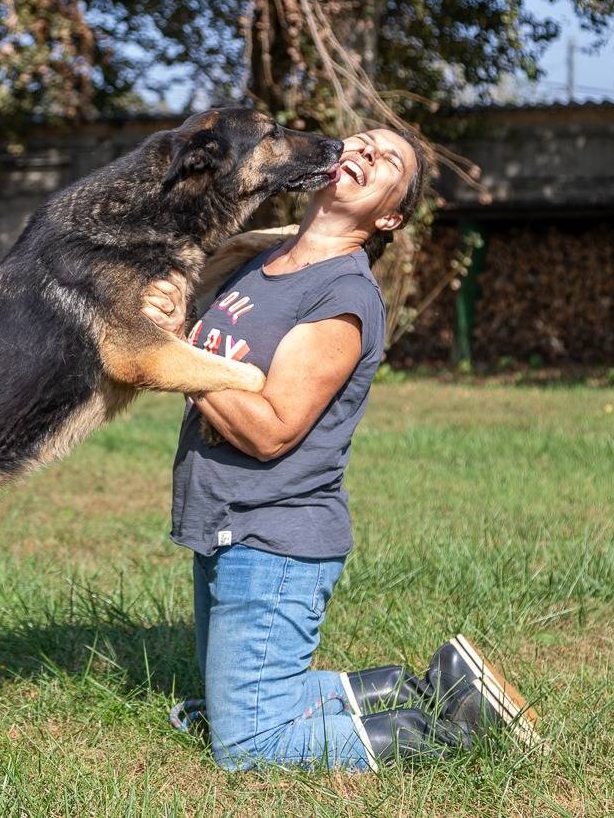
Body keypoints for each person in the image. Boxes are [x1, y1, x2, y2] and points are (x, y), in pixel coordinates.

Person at [142, 127, 540, 771]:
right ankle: (426, 688)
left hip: (273, 537)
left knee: (247, 746)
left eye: (385, 160)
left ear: (389, 215)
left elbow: (271, 427)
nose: (362, 153)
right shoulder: (259, 264)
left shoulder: (343, 296)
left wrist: (172, 351)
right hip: (224, 524)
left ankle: (461, 736)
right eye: (359, 142)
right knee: (234, 703)